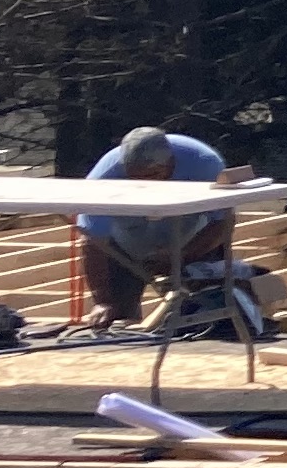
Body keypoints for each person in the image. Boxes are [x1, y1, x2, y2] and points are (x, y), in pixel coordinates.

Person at [77, 125, 237, 327]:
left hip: (192, 241)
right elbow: (92, 241)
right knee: (115, 320)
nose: (143, 184)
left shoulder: (204, 163)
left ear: (169, 163)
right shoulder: (104, 177)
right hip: (126, 248)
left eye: (151, 175)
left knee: (205, 312)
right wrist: (102, 300)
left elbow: (223, 222)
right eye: (134, 178)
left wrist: (182, 255)